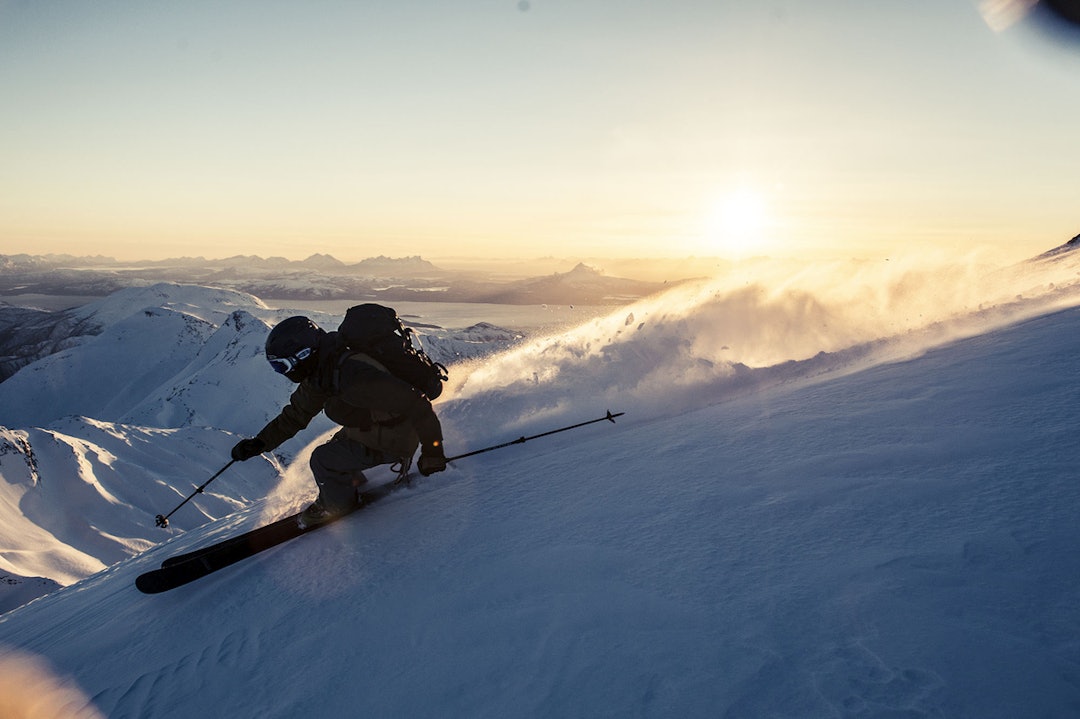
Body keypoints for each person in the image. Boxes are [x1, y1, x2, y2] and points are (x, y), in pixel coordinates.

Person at [230, 315, 447, 528]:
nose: (283, 373)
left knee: (322, 459)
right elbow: (296, 414)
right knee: (335, 445)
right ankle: (353, 484)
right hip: (380, 424)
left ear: (303, 354)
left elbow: (416, 403)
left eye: (283, 366)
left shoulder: (351, 373)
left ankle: (337, 507)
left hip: (398, 433)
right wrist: (260, 443)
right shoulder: (322, 370)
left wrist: (433, 453)